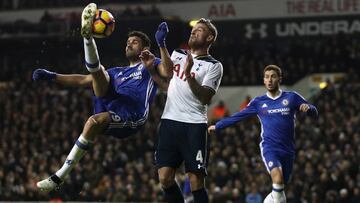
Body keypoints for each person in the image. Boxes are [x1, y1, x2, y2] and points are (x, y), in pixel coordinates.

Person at [34, 3, 167, 192]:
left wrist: (161, 48)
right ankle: (87, 38)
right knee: (101, 72)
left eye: (134, 42)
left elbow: (167, 73)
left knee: (93, 121)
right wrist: (52, 75)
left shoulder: (151, 64)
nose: (129, 43)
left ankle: (59, 176)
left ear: (145, 48)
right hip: (110, 104)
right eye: (127, 42)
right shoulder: (117, 71)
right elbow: (82, 80)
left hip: (132, 114)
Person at [208, 65, 318, 203]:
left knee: (281, 186)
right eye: (267, 77)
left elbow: (315, 112)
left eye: (273, 76)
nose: (270, 80)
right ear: (264, 81)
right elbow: (238, 116)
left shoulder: (292, 97)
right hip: (270, 147)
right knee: (277, 178)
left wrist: (308, 109)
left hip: (288, 150)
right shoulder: (259, 102)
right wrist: (218, 126)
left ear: (280, 79)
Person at [154, 19, 223, 203]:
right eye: (193, 30)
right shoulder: (178, 53)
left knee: (195, 181)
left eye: (199, 30)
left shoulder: (214, 66)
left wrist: (190, 75)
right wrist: (161, 44)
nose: (193, 32)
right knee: (164, 177)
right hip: (169, 121)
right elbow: (166, 74)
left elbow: (205, 98)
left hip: (194, 126)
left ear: (209, 38)